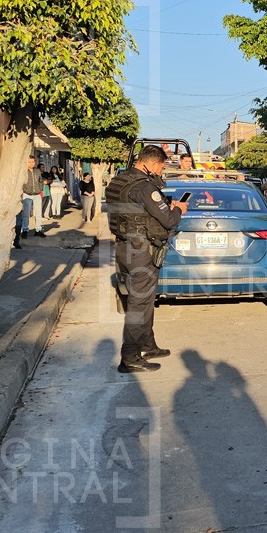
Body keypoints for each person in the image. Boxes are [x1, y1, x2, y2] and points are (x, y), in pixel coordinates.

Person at [106, 145, 188, 373]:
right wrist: (179, 209)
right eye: (161, 166)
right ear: (151, 164)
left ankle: (146, 345)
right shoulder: (145, 187)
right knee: (139, 304)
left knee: (143, 299)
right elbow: (170, 220)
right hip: (141, 250)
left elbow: (136, 212)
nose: (161, 171)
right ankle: (130, 357)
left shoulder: (118, 181)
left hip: (125, 246)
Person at [19, 156, 45, 238]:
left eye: (33, 162)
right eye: (29, 162)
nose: (31, 163)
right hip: (27, 194)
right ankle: (25, 230)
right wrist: (24, 189)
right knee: (26, 213)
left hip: (37, 194)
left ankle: (38, 230)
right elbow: (21, 182)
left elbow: (40, 181)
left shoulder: (37, 171)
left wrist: (40, 188)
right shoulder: (24, 171)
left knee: (38, 213)